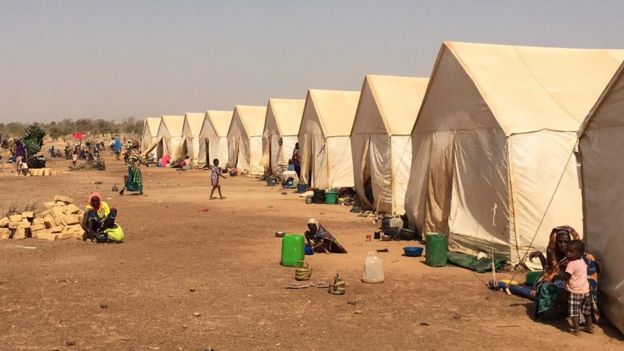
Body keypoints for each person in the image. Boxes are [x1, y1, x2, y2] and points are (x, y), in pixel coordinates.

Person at [530, 226, 599, 322]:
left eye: (566, 242)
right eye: (559, 241)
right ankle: (562, 309)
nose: (562, 245)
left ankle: (580, 315)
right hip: (566, 284)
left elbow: (590, 281)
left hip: (579, 289)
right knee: (540, 282)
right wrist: (541, 257)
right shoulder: (556, 255)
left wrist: (561, 280)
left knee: (549, 286)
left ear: (571, 242)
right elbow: (549, 270)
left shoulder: (584, 258)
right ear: (555, 242)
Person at [558, 240, 593, 335]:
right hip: (586, 291)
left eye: (571, 252)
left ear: (579, 253)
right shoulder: (582, 261)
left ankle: (577, 331)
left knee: (574, 313)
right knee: (587, 312)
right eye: (567, 251)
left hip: (575, 292)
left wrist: (559, 274)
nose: (568, 253)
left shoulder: (571, 264)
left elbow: (566, 277)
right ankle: (590, 328)